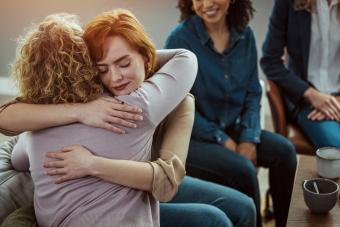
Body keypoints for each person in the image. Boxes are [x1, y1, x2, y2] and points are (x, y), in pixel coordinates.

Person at [0, 9, 256, 227]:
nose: (115, 78)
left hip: (148, 179)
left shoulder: (37, 129)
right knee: (217, 218)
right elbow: (185, 59)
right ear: (87, 65)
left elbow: (17, 156)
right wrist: (81, 111)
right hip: (133, 195)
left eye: (123, 63)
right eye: (102, 68)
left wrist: (91, 163)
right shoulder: (128, 106)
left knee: (239, 208)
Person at [164, 0, 297, 226]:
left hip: (232, 127)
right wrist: (225, 141)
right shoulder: (179, 40)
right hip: (193, 139)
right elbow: (176, 107)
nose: (207, 4)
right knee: (243, 169)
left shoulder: (246, 35)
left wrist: (248, 137)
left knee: (285, 152)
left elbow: (254, 93)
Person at [261, 0, 340, 149]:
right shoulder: (287, 3)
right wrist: (310, 94)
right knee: (337, 148)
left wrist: (337, 102)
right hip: (306, 101)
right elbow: (270, 61)